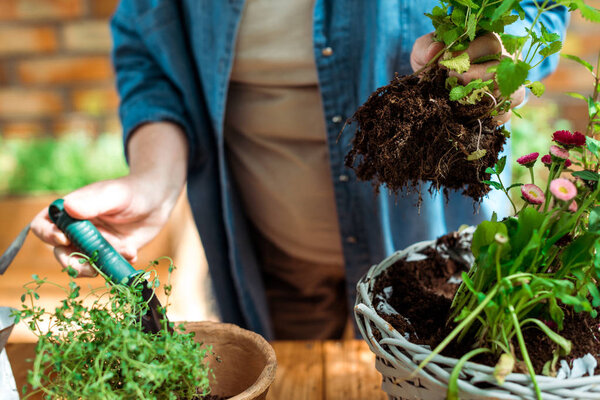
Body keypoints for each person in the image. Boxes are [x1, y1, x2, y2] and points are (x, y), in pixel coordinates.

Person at [31, 1, 568, 340]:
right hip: (272, 273)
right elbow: (148, 45)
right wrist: (153, 178)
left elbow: (542, 8)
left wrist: (505, 54)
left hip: (434, 253)